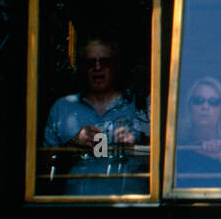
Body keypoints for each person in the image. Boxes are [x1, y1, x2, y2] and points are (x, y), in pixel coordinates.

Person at [42, 37, 150, 195]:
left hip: (130, 207)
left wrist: (134, 148)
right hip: (76, 208)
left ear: (116, 66)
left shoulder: (138, 106)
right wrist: (73, 144)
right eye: (90, 63)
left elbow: (163, 161)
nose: (97, 68)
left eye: (104, 62)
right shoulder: (63, 108)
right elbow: (43, 167)